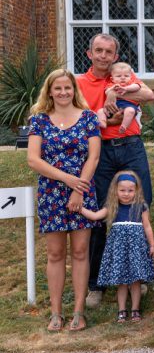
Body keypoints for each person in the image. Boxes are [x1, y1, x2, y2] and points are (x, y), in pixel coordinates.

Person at [78, 33, 154, 309]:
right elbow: (84, 114)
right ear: (89, 53)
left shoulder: (122, 77)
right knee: (99, 212)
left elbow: (148, 94)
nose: (102, 56)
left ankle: (139, 276)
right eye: (98, 50)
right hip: (101, 150)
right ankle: (96, 284)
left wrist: (118, 95)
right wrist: (112, 115)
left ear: (115, 56)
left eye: (108, 52)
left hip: (131, 146)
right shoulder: (80, 83)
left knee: (140, 206)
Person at [27, 69, 101, 332]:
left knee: (81, 252)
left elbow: (93, 157)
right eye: (57, 88)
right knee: (55, 253)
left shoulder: (89, 118)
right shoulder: (39, 120)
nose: (62, 93)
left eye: (67, 88)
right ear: (49, 91)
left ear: (74, 90)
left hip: (82, 190)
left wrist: (78, 188)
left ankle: (79, 312)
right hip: (51, 193)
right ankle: (56, 312)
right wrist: (67, 180)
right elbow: (33, 159)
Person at [80, 170, 154, 323]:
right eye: (122, 190)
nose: (126, 194)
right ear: (115, 190)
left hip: (136, 249)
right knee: (121, 283)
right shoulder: (112, 207)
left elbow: (147, 226)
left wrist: (152, 245)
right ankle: (122, 310)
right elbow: (95, 216)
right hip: (119, 249)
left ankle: (135, 310)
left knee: (135, 282)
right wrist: (80, 208)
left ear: (136, 190)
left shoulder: (141, 206)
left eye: (130, 190)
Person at [95, 62, 141, 133]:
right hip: (114, 106)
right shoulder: (112, 84)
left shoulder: (131, 83)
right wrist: (112, 89)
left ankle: (124, 126)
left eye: (126, 76)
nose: (123, 78)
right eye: (119, 76)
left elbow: (137, 86)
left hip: (128, 105)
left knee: (130, 111)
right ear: (112, 78)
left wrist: (126, 89)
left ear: (131, 77)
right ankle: (102, 123)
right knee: (100, 111)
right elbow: (107, 91)